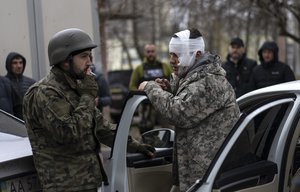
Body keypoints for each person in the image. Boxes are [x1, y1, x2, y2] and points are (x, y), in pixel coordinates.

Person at [22, 28, 155, 192]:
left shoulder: (77, 87)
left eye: (89, 56)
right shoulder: (45, 93)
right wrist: (87, 97)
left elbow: (100, 127)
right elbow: (69, 133)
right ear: (65, 61)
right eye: (83, 56)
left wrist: (134, 145)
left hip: (86, 182)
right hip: (64, 185)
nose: (89, 62)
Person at [138, 28, 240, 192]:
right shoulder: (199, 77)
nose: (172, 60)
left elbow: (178, 113)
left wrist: (151, 88)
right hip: (199, 174)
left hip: (209, 177)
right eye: (171, 54)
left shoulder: (209, 81)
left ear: (197, 54)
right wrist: (170, 88)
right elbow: (191, 98)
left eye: (177, 55)